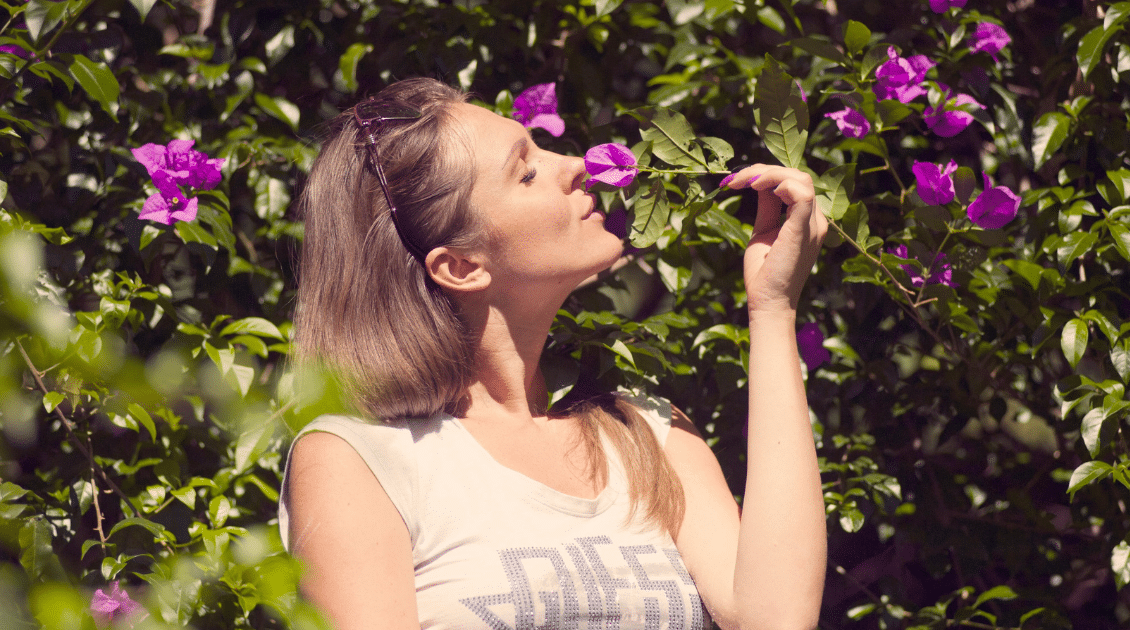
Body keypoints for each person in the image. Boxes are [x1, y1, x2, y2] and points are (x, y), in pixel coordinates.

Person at [280, 77, 828, 630]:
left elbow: (776, 619)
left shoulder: (646, 433)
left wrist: (773, 309)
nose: (577, 165)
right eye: (526, 172)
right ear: (461, 267)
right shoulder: (361, 460)